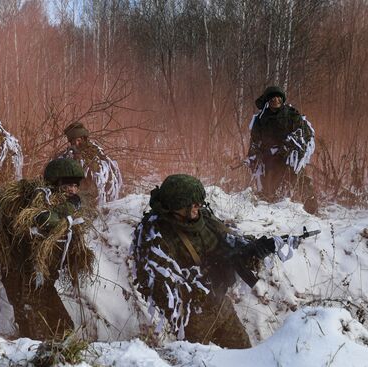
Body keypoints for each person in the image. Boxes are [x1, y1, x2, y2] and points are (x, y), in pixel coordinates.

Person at [131, 174, 291, 349]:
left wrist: (254, 249)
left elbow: (229, 241)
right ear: (177, 205)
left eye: (198, 202)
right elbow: (162, 291)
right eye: (192, 204)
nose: (197, 207)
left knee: (244, 355)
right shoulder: (155, 234)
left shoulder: (204, 218)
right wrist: (206, 280)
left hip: (221, 305)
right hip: (193, 320)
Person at [0, 158, 94, 340]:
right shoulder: (38, 198)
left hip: (41, 284)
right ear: (56, 183)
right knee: (35, 336)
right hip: (22, 280)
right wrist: (70, 206)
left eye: (76, 185)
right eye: (68, 185)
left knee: (62, 329)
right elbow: (44, 220)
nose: (73, 189)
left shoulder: (59, 204)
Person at [246, 86, 318, 214]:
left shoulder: (291, 114)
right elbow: (255, 140)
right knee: (268, 190)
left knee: (300, 182)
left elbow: (303, 134)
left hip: (289, 158)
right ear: (268, 100)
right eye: (272, 98)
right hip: (270, 158)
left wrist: (290, 147)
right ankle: (271, 214)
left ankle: (311, 210)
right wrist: (254, 155)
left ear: (282, 99)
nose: (276, 100)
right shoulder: (261, 118)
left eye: (278, 97)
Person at [55, 122, 123, 206]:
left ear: (84, 139)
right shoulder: (67, 154)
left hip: (94, 196)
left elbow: (98, 174)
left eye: (78, 140)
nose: (76, 144)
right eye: (73, 142)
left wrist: (79, 158)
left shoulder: (94, 152)